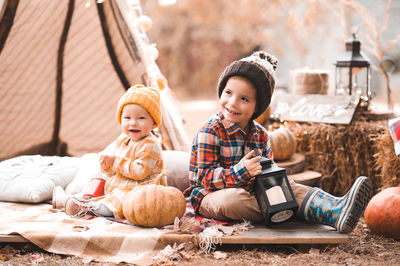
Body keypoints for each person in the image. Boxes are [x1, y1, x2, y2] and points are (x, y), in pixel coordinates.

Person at [183, 51, 373, 233]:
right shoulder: (210, 131)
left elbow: (268, 175)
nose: (232, 103)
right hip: (211, 197)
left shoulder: (261, 135)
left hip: (251, 192)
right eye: (228, 92)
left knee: (290, 187)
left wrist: (276, 185)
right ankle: (291, 211)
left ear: (258, 107)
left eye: (244, 99)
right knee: (234, 200)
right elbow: (204, 178)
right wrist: (240, 171)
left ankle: (335, 208)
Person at [53, 84, 166, 219]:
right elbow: (117, 170)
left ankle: (82, 207)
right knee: (96, 193)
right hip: (121, 189)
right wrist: (107, 167)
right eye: (127, 118)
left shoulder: (151, 145)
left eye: (141, 118)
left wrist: (115, 162)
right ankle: (69, 200)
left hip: (142, 194)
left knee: (115, 203)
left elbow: (140, 172)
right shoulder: (124, 140)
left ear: (154, 123)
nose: (133, 123)